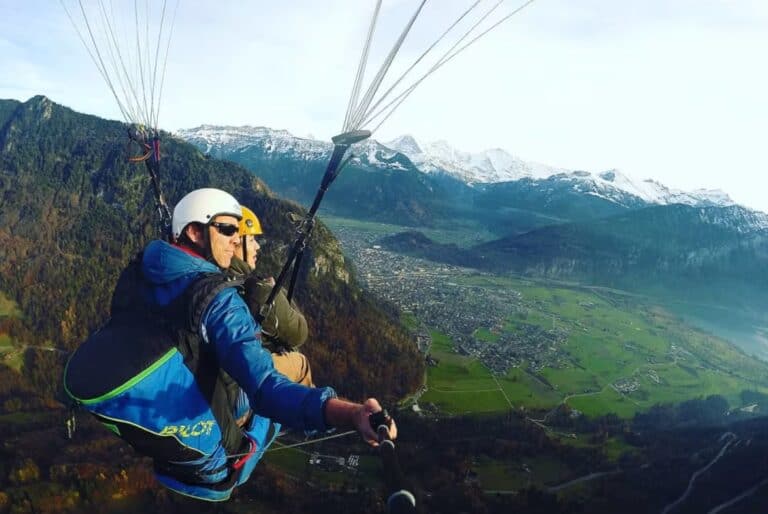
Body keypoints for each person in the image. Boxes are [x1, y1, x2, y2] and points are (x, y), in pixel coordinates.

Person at [139, 188, 395, 500]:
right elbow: (264, 388)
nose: (238, 239)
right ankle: (285, 422)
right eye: (229, 230)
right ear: (194, 231)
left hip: (164, 417)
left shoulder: (142, 273)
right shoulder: (220, 302)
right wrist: (351, 414)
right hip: (221, 448)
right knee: (296, 366)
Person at [228, 205, 312, 386]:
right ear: (234, 243)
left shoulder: (215, 277)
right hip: (241, 380)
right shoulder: (259, 291)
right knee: (300, 363)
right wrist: (276, 292)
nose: (257, 246)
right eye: (250, 240)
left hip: (225, 374)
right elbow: (299, 332)